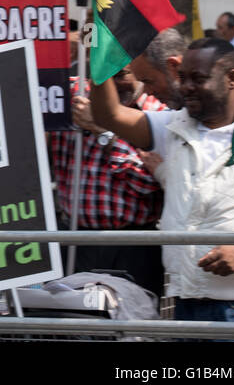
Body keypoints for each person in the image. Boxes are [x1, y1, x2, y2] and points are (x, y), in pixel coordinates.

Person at [88, 37, 234, 325]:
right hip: (185, 304)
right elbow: (108, 115)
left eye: (198, 79)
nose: (186, 88)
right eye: (182, 78)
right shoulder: (172, 126)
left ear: (231, 78)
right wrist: (97, 47)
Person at [49, 73, 163, 295]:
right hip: (75, 238)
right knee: (74, 319)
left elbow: (148, 184)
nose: (113, 84)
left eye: (122, 75)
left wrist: (104, 132)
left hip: (133, 245)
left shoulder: (155, 111)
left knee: (134, 320)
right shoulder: (67, 94)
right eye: (105, 76)